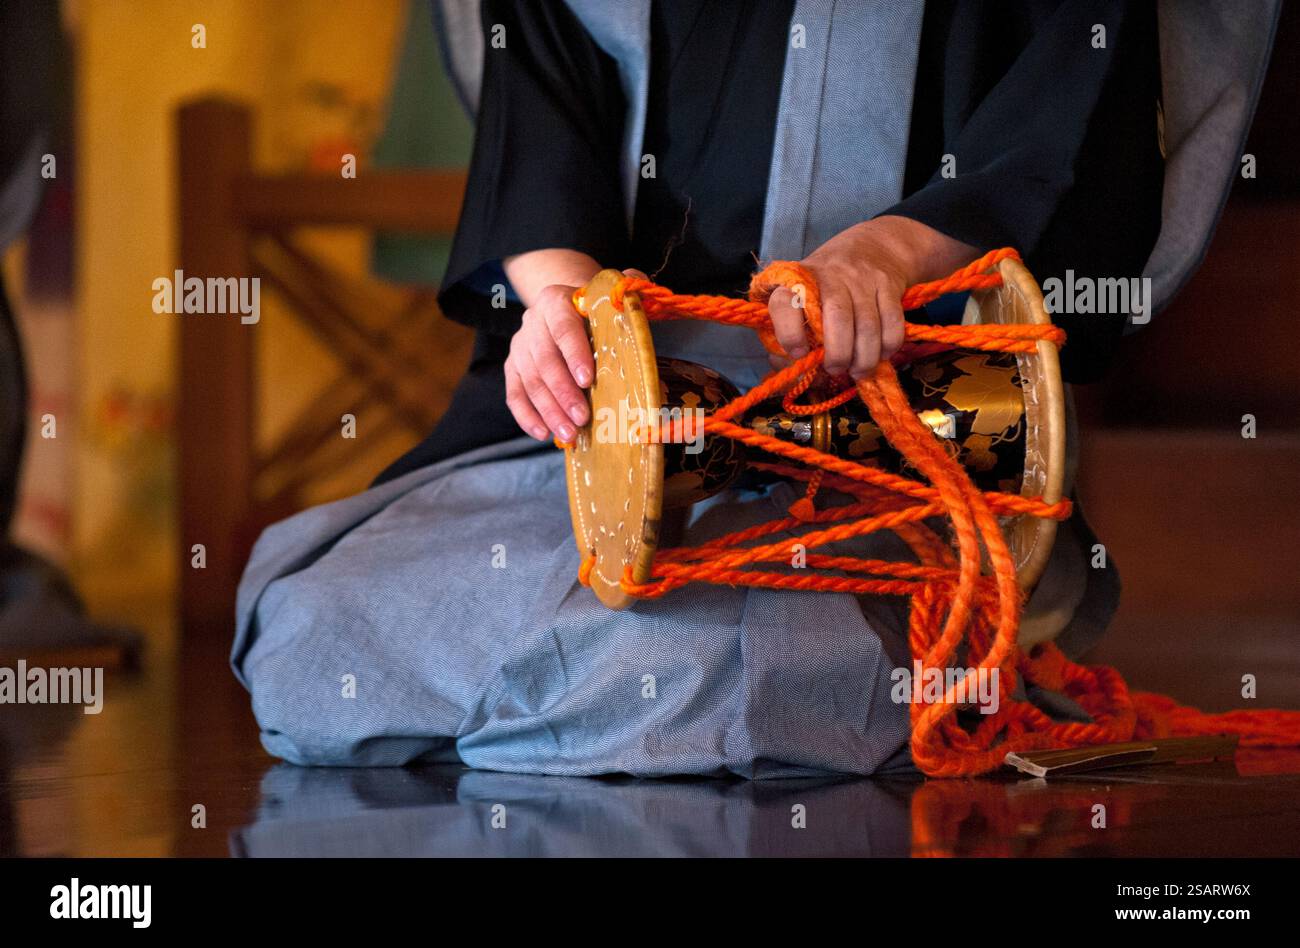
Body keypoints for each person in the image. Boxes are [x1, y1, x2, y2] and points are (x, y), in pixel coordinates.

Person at [232, 1, 1277, 776]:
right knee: (314, 634)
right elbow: (540, 111)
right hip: (612, 404)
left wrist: (893, 248)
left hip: (887, 421)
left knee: (719, 665)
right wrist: (560, 309)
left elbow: (1065, 104)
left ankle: (865, 674)